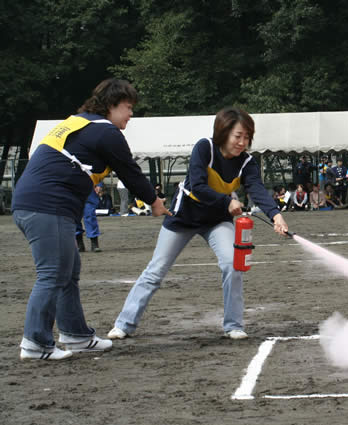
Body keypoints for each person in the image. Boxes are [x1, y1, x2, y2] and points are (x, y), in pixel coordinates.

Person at [11, 78, 169, 361]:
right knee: (52, 274)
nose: (131, 114)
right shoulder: (105, 132)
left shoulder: (80, 123)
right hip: (47, 206)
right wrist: (155, 201)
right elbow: (129, 171)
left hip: (36, 204)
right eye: (127, 107)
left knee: (67, 271)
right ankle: (35, 343)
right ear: (110, 105)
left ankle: (76, 335)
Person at [108, 108, 288, 341]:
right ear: (223, 133)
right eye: (238, 136)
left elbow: (257, 189)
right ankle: (124, 324)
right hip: (183, 217)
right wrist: (228, 200)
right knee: (156, 270)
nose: (242, 142)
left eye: (246, 137)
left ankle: (233, 325)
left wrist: (276, 216)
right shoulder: (204, 147)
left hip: (216, 221)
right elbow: (197, 186)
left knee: (233, 264)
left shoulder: (247, 163)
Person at [76, 183, 102, 253]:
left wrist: (99, 184)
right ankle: (79, 244)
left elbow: (96, 172)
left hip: (88, 187)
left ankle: (94, 243)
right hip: (72, 188)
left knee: (90, 215)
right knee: (75, 218)